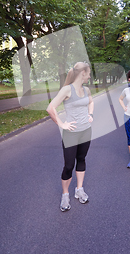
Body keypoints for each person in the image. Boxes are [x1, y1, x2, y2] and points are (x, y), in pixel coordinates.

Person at [46, 62, 94, 212]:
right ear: (83, 73)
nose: (90, 76)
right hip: (71, 134)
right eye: (89, 73)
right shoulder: (67, 90)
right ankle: (65, 194)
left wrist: (90, 114)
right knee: (68, 165)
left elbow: (91, 102)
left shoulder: (86, 90)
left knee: (81, 159)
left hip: (86, 131)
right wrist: (62, 124)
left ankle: (79, 189)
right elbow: (50, 108)